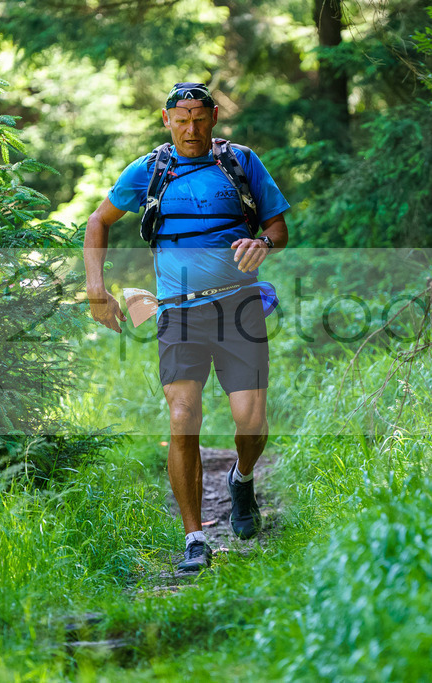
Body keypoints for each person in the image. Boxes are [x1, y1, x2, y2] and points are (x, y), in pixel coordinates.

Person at [84, 82, 290, 572]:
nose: (191, 129)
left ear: (214, 117)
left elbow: (278, 229)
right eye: (182, 119)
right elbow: (98, 221)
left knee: (251, 420)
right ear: (166, 119)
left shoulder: (240, 162)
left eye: (200, 118)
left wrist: (263, 242)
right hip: (177, 312)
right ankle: (195, 539)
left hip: (239, 306)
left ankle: (241, 479)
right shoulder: (149, 170)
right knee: (182, 415)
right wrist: (97, 290)